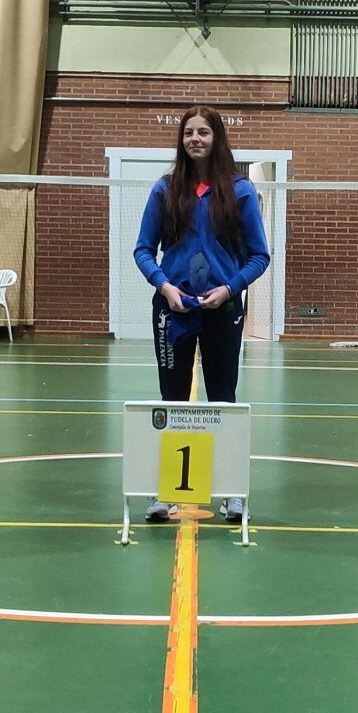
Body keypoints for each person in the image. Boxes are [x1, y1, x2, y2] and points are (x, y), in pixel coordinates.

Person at [134, 105, 270, 523]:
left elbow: (260, 256)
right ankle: (167, 492)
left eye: (203, 133)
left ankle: (230, 492)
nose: (195, 139)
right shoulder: (164, 190)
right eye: (189, 132)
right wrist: (165, 285)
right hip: (173, 309)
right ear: (181, 139)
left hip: (223, 309)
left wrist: (230, 288)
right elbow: (143, 250)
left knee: (223, 399)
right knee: (171, 400)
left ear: (217, 138)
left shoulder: (240, 191)